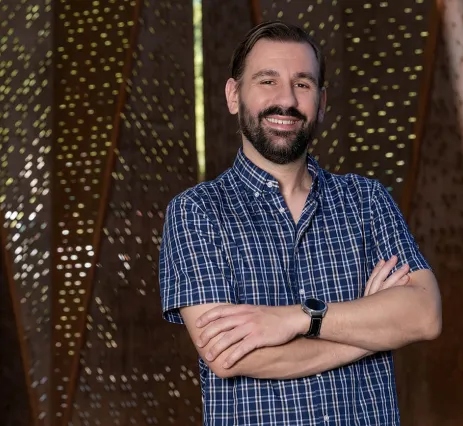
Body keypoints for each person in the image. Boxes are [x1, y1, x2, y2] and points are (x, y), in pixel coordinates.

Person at [159, 20, 442, 426]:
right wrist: (368, 334)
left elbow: (425, 314)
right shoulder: (196, 212)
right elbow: (227, 356)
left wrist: (296, 319)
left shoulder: (367, 201)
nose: (286, 100)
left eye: (303, 84)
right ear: (234, 95)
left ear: (322, 101)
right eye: (267, 81)